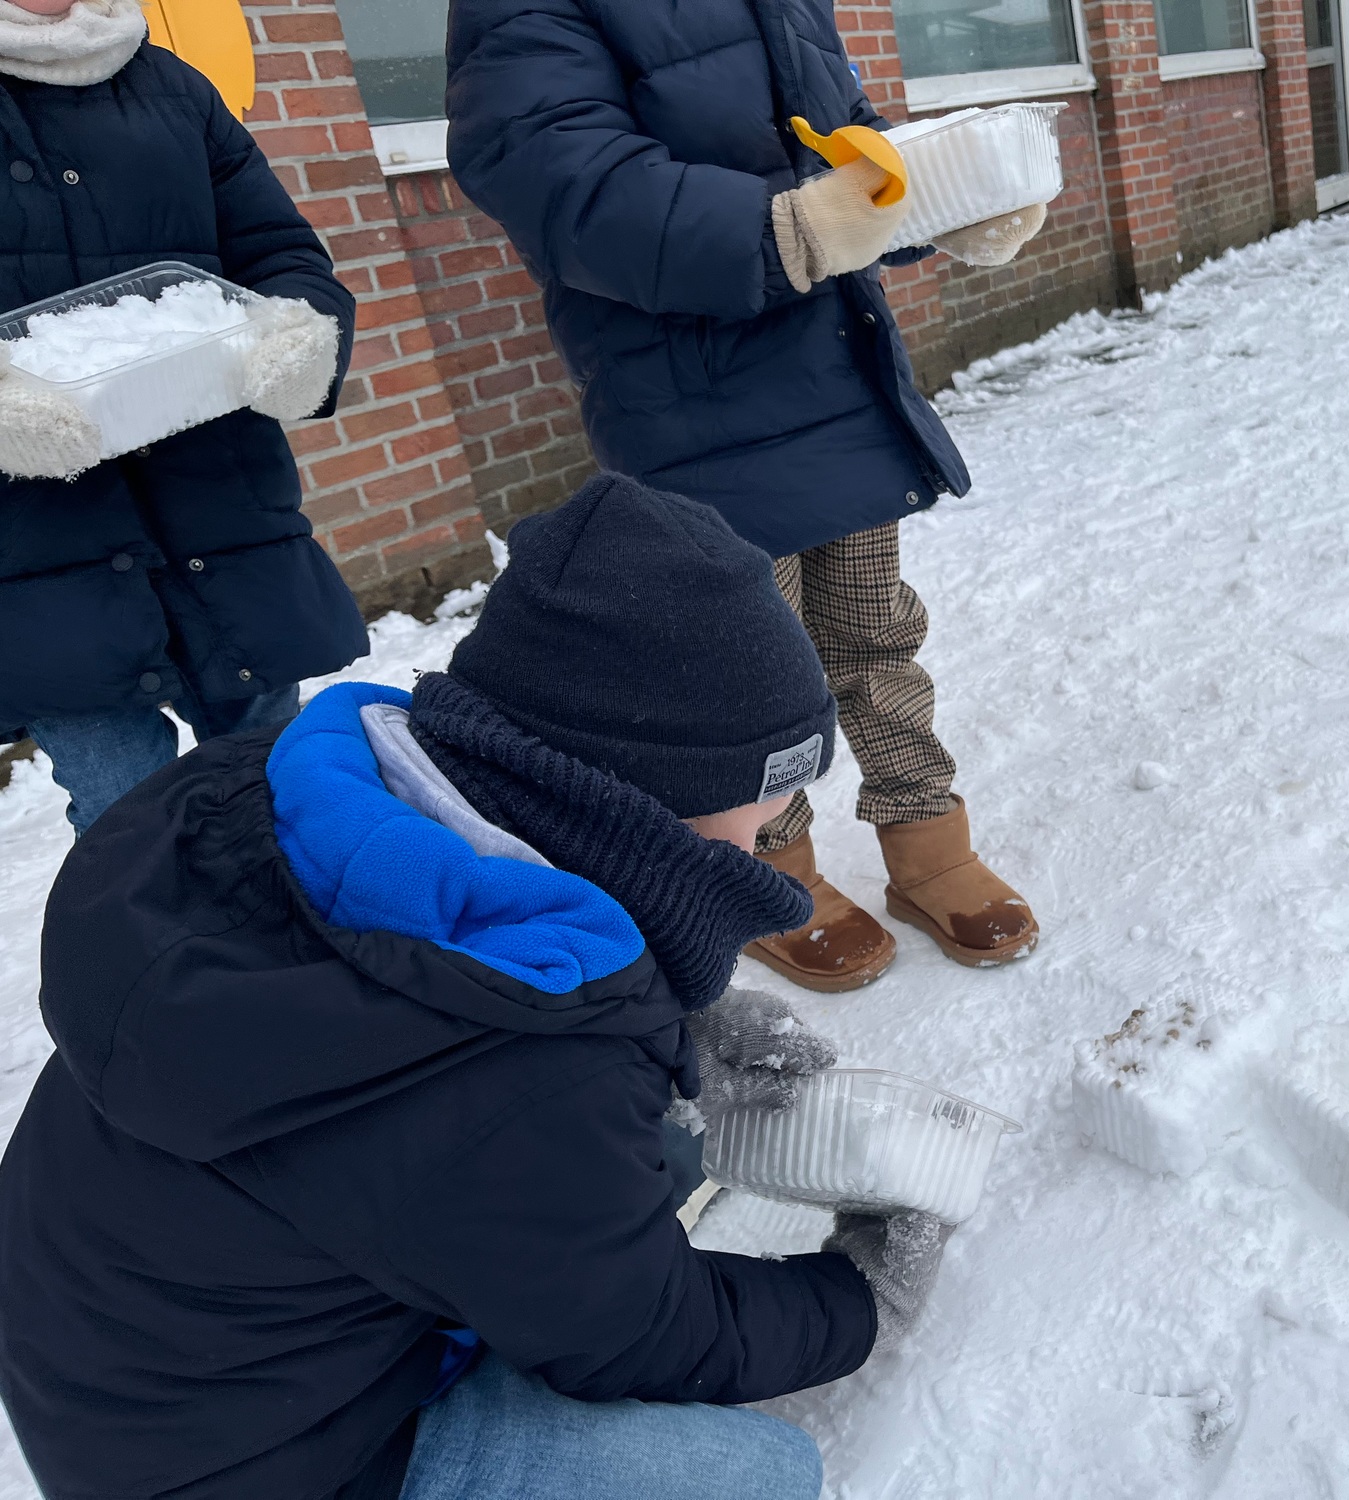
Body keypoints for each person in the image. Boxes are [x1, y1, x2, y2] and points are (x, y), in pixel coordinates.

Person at [0, 474, 957, 1500]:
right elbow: (639, 1334)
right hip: (249, 1462)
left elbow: (451, 1098)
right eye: (764, 801)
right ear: (648, 800)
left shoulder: (309, 800)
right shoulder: (520, 1068)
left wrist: (669, 1031)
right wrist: (860, 1298)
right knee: (751, 1473)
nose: (770, 837)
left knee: (638, 1161)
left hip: (132, 1363)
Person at [445, 0, 1046, 992]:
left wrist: (940, 201)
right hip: (692, 402)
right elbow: (562, 178)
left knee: (874, 634)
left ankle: (929, 843)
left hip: (835, 376)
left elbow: (849, 147)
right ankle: (774, 876)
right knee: (749, 681)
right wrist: (786, 230)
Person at [0, 0, 364, 832]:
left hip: (221, 520)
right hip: (37, 557)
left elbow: (279, 250)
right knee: (135, 833)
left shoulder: (173, 86)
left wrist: (296, 332)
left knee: (289, 801)